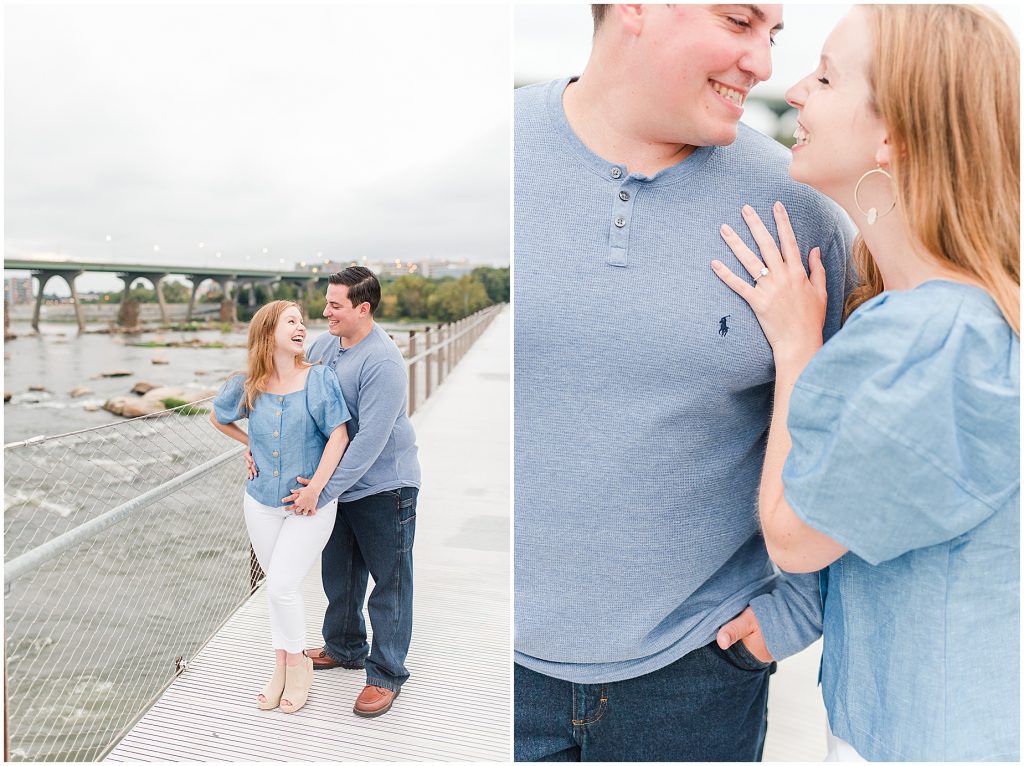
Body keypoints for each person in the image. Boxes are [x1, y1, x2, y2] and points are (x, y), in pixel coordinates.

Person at [514, 4, 854, 761]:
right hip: (498, 675)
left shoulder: (801, 206)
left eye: (774, 37)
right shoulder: (496, 158)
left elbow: (857, 443)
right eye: (739, 23)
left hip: (697, 681)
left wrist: (794, 614)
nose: (764, 65)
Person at [711, 5, 1019, 761]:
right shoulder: (957, 314)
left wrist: (794, 347)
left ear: (895, 135)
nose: (794, 92)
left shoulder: (931, 339)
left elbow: (794, 535)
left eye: (824, 76)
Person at [282, 266, 421, 719]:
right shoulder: (325, 344)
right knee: (339, 574)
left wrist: (321, 491)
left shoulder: (382, 362)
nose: (325, 312)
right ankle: (344, 647)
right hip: (336, 485)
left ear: (363, 309)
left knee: (390, 584)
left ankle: (386, 674)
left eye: (335, 305)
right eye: (326, 303)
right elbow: (299, 399)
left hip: (385, 486)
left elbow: (368, 444)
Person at [211, 300, 351, 714]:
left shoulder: (319, 378)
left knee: (281, 585)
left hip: (310, 507)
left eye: (302, 322)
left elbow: (339, 437)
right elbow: (219, 418)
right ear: (267, 332)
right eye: (291, 321)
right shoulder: (248, 383)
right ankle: (281, 666)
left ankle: (299, 665)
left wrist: (316, 491)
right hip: (259, 503)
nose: (301, 328)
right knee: (277, 589)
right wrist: (247, 444)